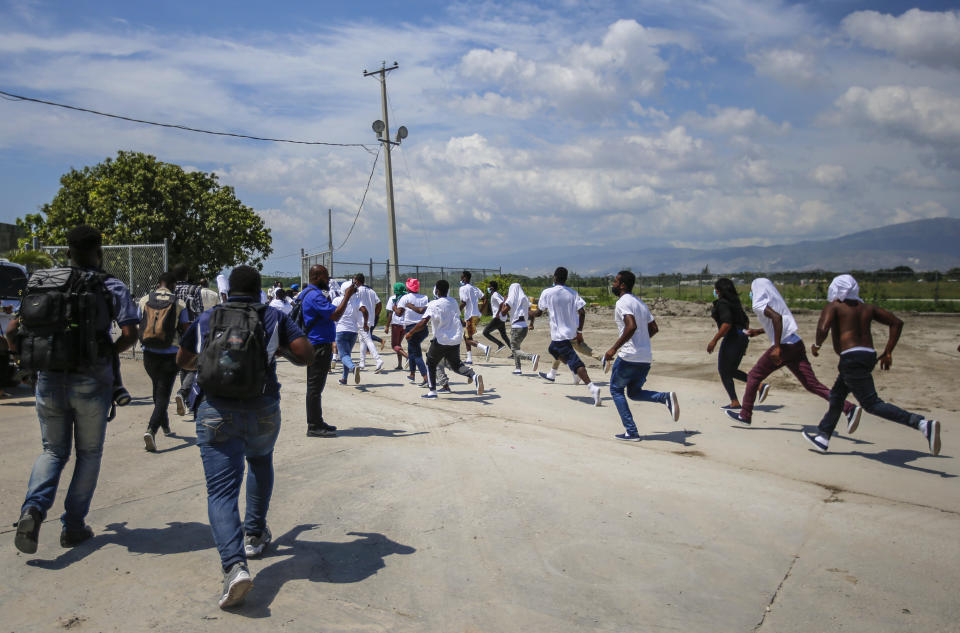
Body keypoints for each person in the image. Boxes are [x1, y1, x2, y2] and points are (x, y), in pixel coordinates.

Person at [176, 265, 315, 609]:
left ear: (228, 290)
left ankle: (235, 566)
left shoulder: (209, 318)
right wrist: (275, 351)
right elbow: (305, 354)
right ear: (259, 291)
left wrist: (216, 365)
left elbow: (184, 360)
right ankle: (254, 534)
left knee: (221, 492)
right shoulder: (275, 318)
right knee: (260, 460)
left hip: (215, 411)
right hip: (263, 407)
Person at [10, 225, 139, 554]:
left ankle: (33, 510)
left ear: (67, 251)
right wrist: (107, 352)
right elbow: (129, 332)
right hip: (92, 381)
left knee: (52, 451)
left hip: (49, 378)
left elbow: (13, 329)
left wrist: (24, 361)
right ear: (100, 251)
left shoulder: (42, 281)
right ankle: (74, 525)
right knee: (88, 454)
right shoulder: (111, 284)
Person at [802, 274, 941, 455]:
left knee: (871, 403)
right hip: (868, 356)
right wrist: (888, 351)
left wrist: (816, 345)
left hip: (851, 359)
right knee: (836, 396)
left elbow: (823, 328)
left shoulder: (835, 306)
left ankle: (921, 424)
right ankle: (823, 436)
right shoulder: (867, 308)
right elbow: (896, 322)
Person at [725, 278, 859, 426]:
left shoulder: (758, 304)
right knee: (812, 385)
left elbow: (777, 318)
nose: (751, 293)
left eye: (752, 289)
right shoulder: (776, 303)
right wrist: (759, 331)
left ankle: (745, 415)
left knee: (754, 376)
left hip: (784, 347)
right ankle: (848, 408)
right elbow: (780, 321)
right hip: (795, 343)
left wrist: (776, 347)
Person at [603, 271, 679, 441]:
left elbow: (631, 326)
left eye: (615, 281)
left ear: (623, 285)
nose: (613, 284)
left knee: (616, 390)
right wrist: (641, 342)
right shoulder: (640, 303)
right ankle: (664, 397)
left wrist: (613, 349)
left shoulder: (623, 302)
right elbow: (654, 328)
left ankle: (631, 431)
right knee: (634, 392)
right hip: (644, 358)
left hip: (628, 357)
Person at [532, 266, 601, 406]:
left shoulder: (547, 292)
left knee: (575, 362)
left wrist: (529, 313)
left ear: (554, 277)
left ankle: (592, 387)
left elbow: (539, 312)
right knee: (552, 349)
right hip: (571, 332)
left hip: (560, 335)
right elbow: (582, 312)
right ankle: (574, 373)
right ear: (566, 278)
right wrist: (579, 331)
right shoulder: (573, 293)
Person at [138, 271, 191, 452]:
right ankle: (151, 430)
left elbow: (141, 323)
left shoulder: (145, 300)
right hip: (170, 353)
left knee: (157, 388)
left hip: (149, 353)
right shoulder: (179, 303)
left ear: (158, 283)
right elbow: (186, 328)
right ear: (173, 285)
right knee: (163, 394)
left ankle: (165, 425)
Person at [407, 279, 484, 399]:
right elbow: (457, 318)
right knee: (456, 365)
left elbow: (423, 321)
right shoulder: (453, 302)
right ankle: (473, 376)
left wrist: (411, 332)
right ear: (448, 290)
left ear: (437, 291)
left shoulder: (434, 304)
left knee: (430, 363)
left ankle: (432, 391)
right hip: (455, 339)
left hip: (441, 340)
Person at [706, 278, 769, 409]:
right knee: (731, 370)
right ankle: (757, 387)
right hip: (742, 336)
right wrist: (744, 342)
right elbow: (746, 322)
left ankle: (737, 400)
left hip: (732, 337)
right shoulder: (735, 303)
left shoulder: (723, 303)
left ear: (718, 291)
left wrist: (714, 340)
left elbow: (726, 324)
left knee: (724, 370)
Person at [299, 265, 342, 437]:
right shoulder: (315, 296)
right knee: (315, 388)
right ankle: (314, 426)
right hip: (318, 345)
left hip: (317, 344)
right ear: (316, 277)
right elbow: (335, 315)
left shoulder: (308, 293)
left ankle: (317, 421)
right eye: (326, 276)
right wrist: (347, 296)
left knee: (316, 387)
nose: (329, 279)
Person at [173, 263, 204, 418]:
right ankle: (184, 393)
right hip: (192, 329)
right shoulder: (195, 289)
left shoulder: (171, 290)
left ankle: (184, 397)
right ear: (186, 275)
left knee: (182, 363)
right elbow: (200, 311)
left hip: (175, 332)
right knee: (194, 365)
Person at [498, 282, 539, 375]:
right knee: (516, 347)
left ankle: (532, 357)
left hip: (516, 327)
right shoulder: (524, 298)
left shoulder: (511, 298)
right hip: (524, 327)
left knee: (514, 349)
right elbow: (531, 313)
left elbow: (503, 312)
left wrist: (504, 301)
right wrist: (531, 324)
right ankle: (518, 368)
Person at [394, 278, 429, 385]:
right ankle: (412, 374)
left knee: (417, 354)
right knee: (411, 350)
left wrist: (394, 308)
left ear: (408, 287)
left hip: (411, 328)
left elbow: (399, 313)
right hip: (423, 327)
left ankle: (426, 377)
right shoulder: (425, 297)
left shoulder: (405, 298)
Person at [331, 280, 366, 386]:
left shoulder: (337, 300)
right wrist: (365, 324)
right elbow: (364, 310)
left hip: (341, 330)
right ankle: (344, 379)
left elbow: (332, 314)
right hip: (353, 331)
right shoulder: (357, 300)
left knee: (343, 356)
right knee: (347, 355)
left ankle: (353, 368)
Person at [458, 270, 491, 364]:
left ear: (465, 278)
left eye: (461, 277)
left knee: (467, 339)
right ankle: (469, 358)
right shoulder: (475, 288)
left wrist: (456, 312)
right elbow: (485, 299)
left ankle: (485, 348)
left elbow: (463, 302)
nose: (460, 279)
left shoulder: (463, 289)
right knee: (467, 336)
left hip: (470, 316)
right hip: (476, 315)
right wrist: (480, 312)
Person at [354, 274, 384, 373]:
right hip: (370, 319)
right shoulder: (371, 291)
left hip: (362, 319)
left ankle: (378, 360)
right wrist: (374, 315)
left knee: (367, 339)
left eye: (354, 281)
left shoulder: (358, 291)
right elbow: (379, 304)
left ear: (357, 281)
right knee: (362, 340)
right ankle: (362, 362)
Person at [384, 282, 409, 370]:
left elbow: (390, 313)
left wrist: (387, 326)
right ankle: (399, 365)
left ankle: (407, 357)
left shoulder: (393, 298)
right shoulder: (406, 298)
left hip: (396, 324)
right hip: (404, 324)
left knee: (394, 345)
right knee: (398, 344)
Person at [480, 281, 509, 353]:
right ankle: (515, 352)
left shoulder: (495, 295)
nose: (488, 288)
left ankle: (500, 344)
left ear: (492, 288)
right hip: (502, 318)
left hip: (498, 318)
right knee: (504, 336)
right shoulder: (497, 294)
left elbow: (502, 303)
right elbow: (504, 302)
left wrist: (498, 313)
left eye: (489, 287)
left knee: (485, 332)